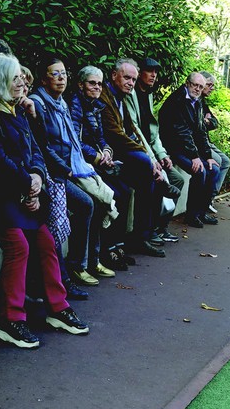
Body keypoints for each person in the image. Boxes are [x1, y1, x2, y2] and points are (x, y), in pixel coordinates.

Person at [0, 54, 89, 349]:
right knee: (18, 246)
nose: (22, 81)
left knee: (46, 240)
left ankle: (58, 308)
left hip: (24, 192)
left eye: (22, 77)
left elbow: (35, 150)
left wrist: (35, 177)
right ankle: (11, 319)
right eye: (15, 77)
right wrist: (27, 187)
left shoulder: (19, 109)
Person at [29, 56, 115, 288]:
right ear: (43, 79)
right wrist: (66, 170)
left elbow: (78, 141)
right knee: (84, 205)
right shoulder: (39, 103)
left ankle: (86, 263)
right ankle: (70, 271)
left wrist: (103, 151)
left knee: (100, 199)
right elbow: (42, 145)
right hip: (52, 172)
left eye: (64, 73)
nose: (61, 78)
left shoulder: (62, 103)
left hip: (70, 167)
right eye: (54, 74)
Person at [98, 58, 166, 258]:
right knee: (139, 178)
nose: (131, 83)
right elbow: (115, 134)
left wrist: (152, 158)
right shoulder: (105, 97)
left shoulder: (120, 97)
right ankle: (129, 241)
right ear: (113, 76)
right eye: (127, 78)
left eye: (134, 80)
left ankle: (139, 238)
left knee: (147, 181)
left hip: (120, 155)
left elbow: (132, 130)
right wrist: (147, 157)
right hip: (108, 154)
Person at [69, 65, 133, 271]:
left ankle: (113, 247)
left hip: (95, 163)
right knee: (103, 199)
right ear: (81, 85)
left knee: (124, 191)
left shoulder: (95, 105)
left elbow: (100, 137)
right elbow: (75, 141)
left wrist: (106, 151)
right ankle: (97, 256)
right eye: (92, 83)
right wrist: (96, 156)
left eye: (99, 83)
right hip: (81, 165)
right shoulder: (75, 104)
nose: (97, 87)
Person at [129, 57, 183, 244]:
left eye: (156, 72)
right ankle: (147, 232)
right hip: (138, 151)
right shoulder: (131, 95)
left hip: (152, 152)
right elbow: (135, 130)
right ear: (140, 72)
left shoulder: (149, 94)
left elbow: (153, 131)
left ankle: (161, 228)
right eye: (149, 71)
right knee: (153, 181)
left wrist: (162, 155)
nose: (154, 75)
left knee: (177, 179)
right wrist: (153, 158)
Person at [158, 72, 219, 228]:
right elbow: (182, 131)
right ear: (187, 84)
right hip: (173, 146)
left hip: (187, 147)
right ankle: (191, 215)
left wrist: (208, 156)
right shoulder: (177, 101)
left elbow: (200, 131)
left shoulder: (197, 101)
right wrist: (194, 156)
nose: (198, 89)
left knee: (214, 170)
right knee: (200, 171)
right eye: (195, 85)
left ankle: (201, 211)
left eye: (201, 86)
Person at [197, 73, 230, 212]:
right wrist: (204, 121)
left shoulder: (203, 102)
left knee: (226, 161)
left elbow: (214, 122)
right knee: (217, 161)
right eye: (209, 85)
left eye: (213, 86)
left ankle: (210, 197)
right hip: (200, 142)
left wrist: (207, 121)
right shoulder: (195, 100)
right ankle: (205, 201)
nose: (211, 88)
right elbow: (197, 125)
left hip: (206, 141)